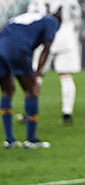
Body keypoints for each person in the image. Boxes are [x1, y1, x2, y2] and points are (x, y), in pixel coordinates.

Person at [27, 0, 81, 125]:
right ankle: (67, 113)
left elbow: (31, 16)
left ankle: (30, 111)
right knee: (66, 76)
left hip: (44, 37)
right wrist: (73, 34)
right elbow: (77, 20)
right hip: (65, 37)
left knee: (37, 75)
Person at [0, 11, 61, 149]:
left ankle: (10, 140)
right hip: (16, 48)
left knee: (7, 91)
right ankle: (31, 140)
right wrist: (37, 75)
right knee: (32, 91)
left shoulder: (29, 17)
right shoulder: (52, 21)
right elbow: (47, 48)